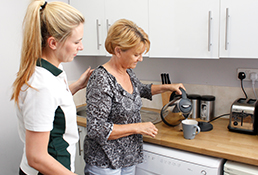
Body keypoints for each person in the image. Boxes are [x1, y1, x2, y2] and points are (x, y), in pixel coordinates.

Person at [83, 19, 185, 175]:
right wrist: (138, 127)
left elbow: (140, 89)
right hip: (105, 162)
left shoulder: (127, 71)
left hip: (128, 157)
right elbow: (96, 129)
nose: (140, 59)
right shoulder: (101, 79)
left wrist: (167, 87)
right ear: (118, 51)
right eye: (136, 54)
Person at [11, 1, 93, 174]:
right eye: (77, 41)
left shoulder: (51, 68)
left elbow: (53, 106)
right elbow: (36, 157)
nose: (81, 47)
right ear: (53, 43)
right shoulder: (41, 86)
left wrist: (77, 85)